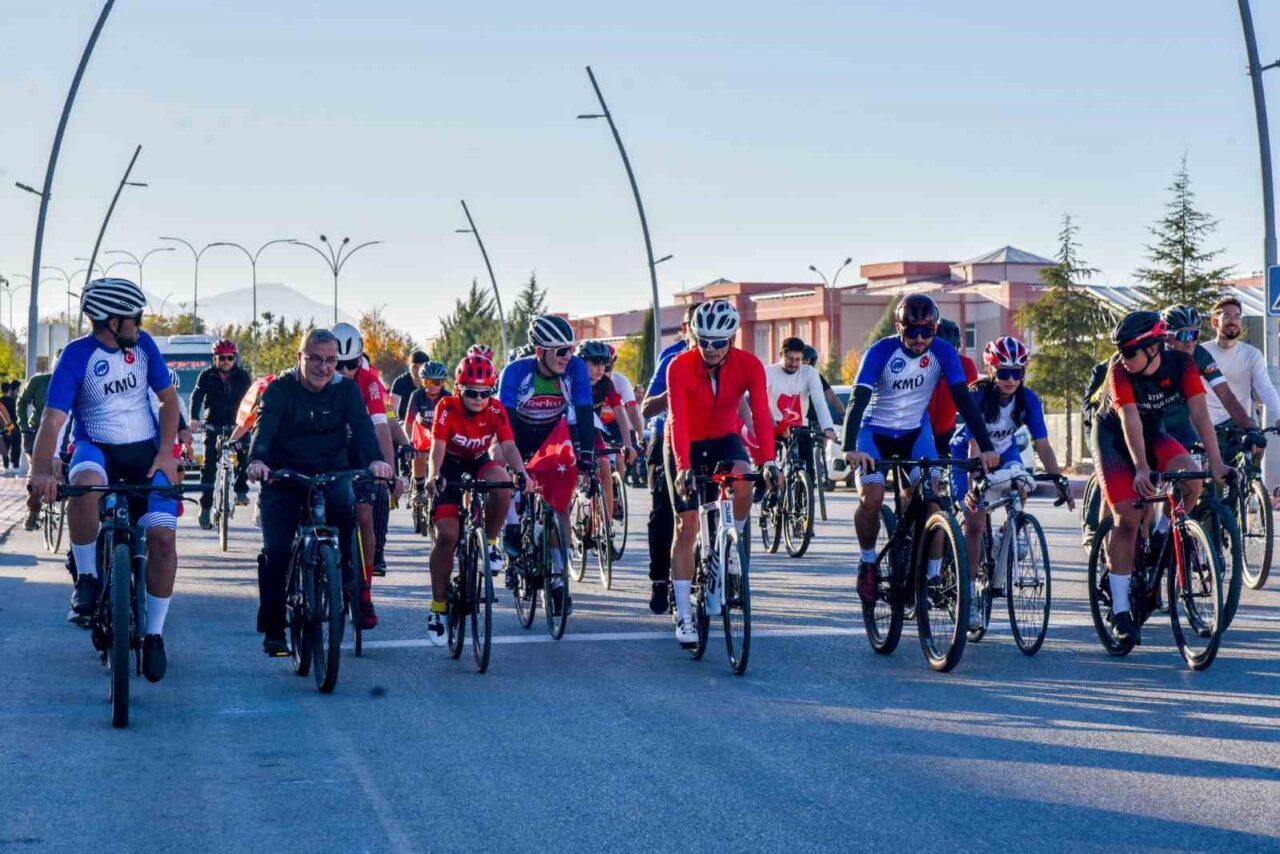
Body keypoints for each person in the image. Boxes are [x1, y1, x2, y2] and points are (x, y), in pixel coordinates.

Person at [27, 278, 183, 682]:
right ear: (112, 321)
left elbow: (168, 400)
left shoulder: (144, 346)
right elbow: (53, 419)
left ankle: (153, 635)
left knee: (164, 540)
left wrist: (166, 452)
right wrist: (42, 469)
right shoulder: (76, 356)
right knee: (86, 486)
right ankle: (89, 579)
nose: (141, 323)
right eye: (136, 317)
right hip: (97, 446)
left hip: (145, 452)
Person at [841, 293, 999, 605]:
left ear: (935, 329)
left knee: (934, 500)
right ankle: (868, 560)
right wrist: (849, 447)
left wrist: (987, 447)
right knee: (871, 498)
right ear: (899, 328)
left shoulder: (942, 352)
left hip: (916, 432)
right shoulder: (880, 351)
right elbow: (857, 401)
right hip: (874, 433)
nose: (919, 339)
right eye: (911, 332)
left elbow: (964, 401)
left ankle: (931, 575)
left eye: (927, 331)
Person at [246, 328, 390, 656]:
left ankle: (348, 582)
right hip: (284, 478)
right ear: (300, 357)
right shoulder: (279, 390)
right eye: (315, 359)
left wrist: (375, 462)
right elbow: (264, 428)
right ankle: (273, 629)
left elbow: (365, 431)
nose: (323, 367)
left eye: (330, 360)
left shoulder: (347, 391)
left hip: (331, 475)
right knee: (277, 551)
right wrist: (257, 461)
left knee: (347, 514)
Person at [1093, 310, 1229, 643]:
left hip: (1154, 432)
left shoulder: (1181, 365)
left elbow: (1200, 414)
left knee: (1192, 481)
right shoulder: (1118, 370)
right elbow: (1129, 420)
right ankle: (1122, 611)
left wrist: (1218, 463)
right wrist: (1141, 466)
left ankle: (1162, 534)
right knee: (1127, 516)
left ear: (1153, 348)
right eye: (1120, 351)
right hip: (1114, 439)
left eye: (1129, 351)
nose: (1123, 358)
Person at [666, 299, 778, 645]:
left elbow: (760, 413)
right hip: (686, 442)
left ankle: (732, 545)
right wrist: (684, 467)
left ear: (731, 339)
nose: (710, 349)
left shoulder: (749, 365)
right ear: (695, 337)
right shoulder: (679, 366)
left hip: (724, 438)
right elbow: (679, 419)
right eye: (704, 341)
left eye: (718, 342)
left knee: (744, 476)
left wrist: (770, 461)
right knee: (687, 527)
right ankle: (684, 615)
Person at [952, 337, 1071, 623]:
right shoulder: (978, 395)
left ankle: (1009, 529)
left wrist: (1058, 479)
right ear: (991, 370)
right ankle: (968, 597)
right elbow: (973, 448)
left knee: (1022, 481)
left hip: (1005, 453)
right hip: (968, 454)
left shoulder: (1028, 399)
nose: (1011, 379)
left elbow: (1042, 444)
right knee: (975, 521)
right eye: (1004, 372)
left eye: (1017, 373)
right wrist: (973, 488)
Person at [423, 355, 530, 644]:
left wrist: (521, 473)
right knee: (447, 535)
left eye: (486, 392)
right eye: (472, 392)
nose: (480, 398)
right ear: (458, 389)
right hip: (449, 465)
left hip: (478, 460)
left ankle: (492, 545)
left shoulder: (496, 409)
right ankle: (438, 609)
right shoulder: (445, 407)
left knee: (503, 484)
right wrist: (433, 475)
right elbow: (437, 447)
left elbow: (507, 445)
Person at [497, 315, 596, 615]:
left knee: (560, 505)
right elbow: (505, 425)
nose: (569, 357)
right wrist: (517, 469)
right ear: (539, 351)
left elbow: (584, 410)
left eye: (571, 349)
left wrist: (587, 455)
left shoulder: (575, 369)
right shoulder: (515, 373)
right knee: (503, 471)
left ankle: (557, 581)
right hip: (517, 434)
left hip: (553, 434)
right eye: (561, 351)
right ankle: (511, 529)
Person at [331, 322, 405, 626]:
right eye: (340, 364)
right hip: (328, 449)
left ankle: (365, 594)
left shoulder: (370, 381)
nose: (346, 370)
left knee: (364, 515)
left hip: (360, 449)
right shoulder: (320, 375)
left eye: (353, 364)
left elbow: (381, 428)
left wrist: (390, 472)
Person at [639, 302, 698, 614]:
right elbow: (647, 407)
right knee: (664, 511)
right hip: (666, 434)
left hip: (704, 436)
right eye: (691, 324)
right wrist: (673, 393)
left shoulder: (723, 355)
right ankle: (660, 579)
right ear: (684, 328)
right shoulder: (671, 356)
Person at [1202, 296, 1280, 458]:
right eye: (1227, 316)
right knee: (1214, 478)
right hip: (1209, 427)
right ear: (1215, 322)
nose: (1233, 321)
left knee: (1249, 471)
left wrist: (1279, 416)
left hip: (1243, 425)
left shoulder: (1251, 354)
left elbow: (1265, 389)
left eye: (1237, 316)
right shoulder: (1201, 353)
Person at [190, 338, 253, 527]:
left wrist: (252, 421)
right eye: (221, 358)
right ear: (214, 359)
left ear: (235, 359)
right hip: (213, 425)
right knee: (208, 468)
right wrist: (194, 418)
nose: (226, 361)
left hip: (237, 425)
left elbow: (251, 400)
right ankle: (206, 507)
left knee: (247, 452)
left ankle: (241, 489)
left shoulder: (242, 376)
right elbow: (197, 396)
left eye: (230, 358)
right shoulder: (206, 376)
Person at [765, 337, 837, 481]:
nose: (794, 364)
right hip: (773, 422)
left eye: (798, 360)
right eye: (790, 359)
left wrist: (828, 427)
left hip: (798, 424)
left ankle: (803, 495)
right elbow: (761, 403)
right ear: (781, 355)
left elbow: (819, 402)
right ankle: (765, 487)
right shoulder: (768, 372)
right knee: (768, 461)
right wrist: (775, 427)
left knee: (808, 469)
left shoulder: (809, 373)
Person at [927, 318, 979, 455]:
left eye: (952, 350)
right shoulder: (919, 364)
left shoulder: (966, 365)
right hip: (918, 431)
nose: (946, 356)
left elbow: (974, 403)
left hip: (947, 432)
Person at [18, 355, 56, 529]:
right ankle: (33, 510)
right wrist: (24, 425)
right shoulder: (38, 381)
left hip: (62, 435)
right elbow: (22, 402)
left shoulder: (75, 382)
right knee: (36, 471)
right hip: (35, 432)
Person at [406, 360, 450, 493]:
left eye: (437, 382)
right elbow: (409, 422)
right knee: (418, 453)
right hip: (423, 432)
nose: (433, 386)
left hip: (440, 435)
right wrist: (410, 442)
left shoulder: (447, 397)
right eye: (429, 382)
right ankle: (418, 487)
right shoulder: (417, 395)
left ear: (442, 383)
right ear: (423, 382)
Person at [389, 349, 429, 426]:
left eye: (421, 367)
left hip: (426, 426)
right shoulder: (400, 382)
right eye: (415, 367)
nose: (418, 371)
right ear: (409, 366)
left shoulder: (432, 383)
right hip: (403, 424)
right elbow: (390, 409)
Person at [1, 381, 19, 472]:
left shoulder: (1, 400)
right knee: (15, 444)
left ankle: (6, 464)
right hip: (12, 425)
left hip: (3, 426)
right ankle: (15, 464)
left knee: (5, 445)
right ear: (9, 389)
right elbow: (14, 415)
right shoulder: (13, 400)